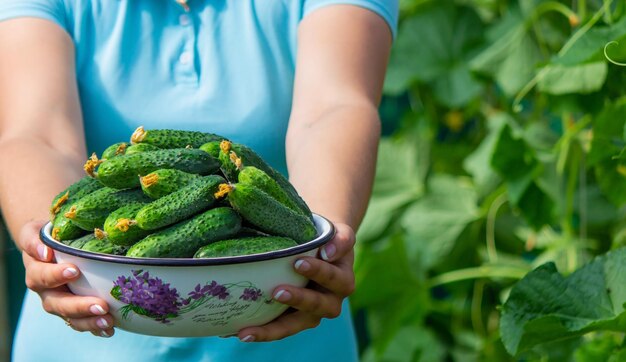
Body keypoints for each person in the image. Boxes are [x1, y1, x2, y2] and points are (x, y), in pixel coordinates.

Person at [0, 0, 396, 361]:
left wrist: (317, 243)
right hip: (85, 331)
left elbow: (333, 108)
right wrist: (51, 250)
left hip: (283, 308)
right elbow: (36, 132)